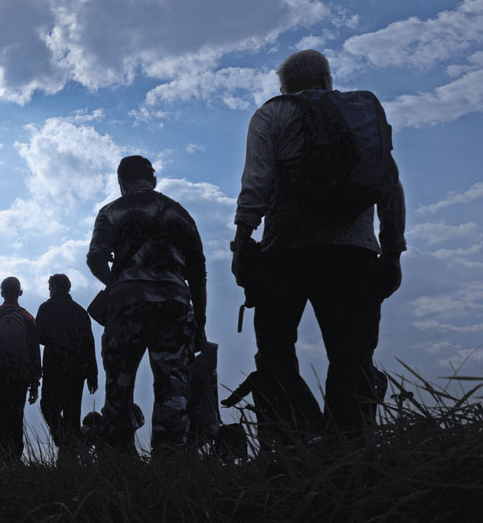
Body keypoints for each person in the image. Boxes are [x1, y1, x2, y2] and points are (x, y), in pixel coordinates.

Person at [231, 49, 406, 436]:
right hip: (353, 254)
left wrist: (242, 241)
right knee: (353, 356)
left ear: (284, 86)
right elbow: (390, 185)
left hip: (284, 254)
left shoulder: (272, 113)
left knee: (275, 355)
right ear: (327, 80)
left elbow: (256, 182)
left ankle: (302, 439)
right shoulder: (360, 115)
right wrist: (393, 251)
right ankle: (348, 450)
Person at [87, 155, 207, 454]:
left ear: (121, 181)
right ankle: (170, 457)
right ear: (152, 179)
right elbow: (198, 272)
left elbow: (95, 257)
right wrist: (200, 323)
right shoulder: (179, 213)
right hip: (174, 304)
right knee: (172, 386)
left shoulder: (111, 211)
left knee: (119, 384)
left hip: (126, 304)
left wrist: (116, 283)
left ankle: (119, 457)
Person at [0, 277, 41, 461]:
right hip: (19, 377)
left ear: (1, 293)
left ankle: (3, 456)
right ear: (20, 293)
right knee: (16, 417)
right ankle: (15, 458)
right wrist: (35, 382)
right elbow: (34, 351)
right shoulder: (27, 317)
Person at [36, 273, 98, 454]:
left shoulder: (46, 308)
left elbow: (38, 336)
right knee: (72, 415)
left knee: (48, 407)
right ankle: (71, 446)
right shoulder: (80, 311)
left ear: (54, 287)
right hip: (77, 371)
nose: (49, 290)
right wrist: (92, 374)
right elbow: (89, 343)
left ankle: (68, 444)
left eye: (50, 286)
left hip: (54, 367)